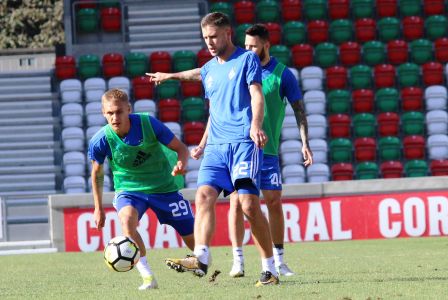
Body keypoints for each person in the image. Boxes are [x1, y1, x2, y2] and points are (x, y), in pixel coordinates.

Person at [148, 24, 313, 278]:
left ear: (227, 33)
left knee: (250, 205)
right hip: (216, 147)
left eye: (213, 36)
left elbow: (257, 96)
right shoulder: (211, 68)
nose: (209, 42)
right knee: (203, 196)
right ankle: (202, 257)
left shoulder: (249, 60)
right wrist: (169, 76)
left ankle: (271, 266)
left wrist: (255, 126)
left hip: (245, 144)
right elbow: (207, 92)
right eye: (205, 37)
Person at [88, 88, 195, 291]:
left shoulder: (148, 123)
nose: (115, 117)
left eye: (119, 112)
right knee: (127, 221)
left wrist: (182, 163)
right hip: (129, 189)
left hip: (164, 187)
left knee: (192, 238)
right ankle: (147, 277)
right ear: (103, 113)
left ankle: (200, 261)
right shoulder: (100, 140)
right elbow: (97, 174)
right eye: (110, 113)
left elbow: (181, 148)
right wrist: (98, 208)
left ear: (128, 109)